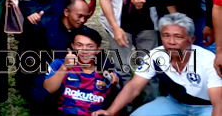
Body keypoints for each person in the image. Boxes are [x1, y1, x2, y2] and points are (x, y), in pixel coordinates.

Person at [92, 13, 222, 116]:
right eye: (166, 35)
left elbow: (218, 103)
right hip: (174, 102)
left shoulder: (208, 61)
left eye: (178, 36)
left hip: (207, 106)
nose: (171, 42)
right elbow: (134, 87)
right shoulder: (155, 55)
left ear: (191, 40)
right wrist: (110, 111)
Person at [44, 26, 121, 116]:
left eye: (90, 46)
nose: (84, 50)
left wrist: (115, 84)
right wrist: (65, 67)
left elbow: (117, 105)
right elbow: (47, 89)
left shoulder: (107, 71)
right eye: (79, 45)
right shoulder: (59, 64)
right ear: (72, 46)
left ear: (98, 50)